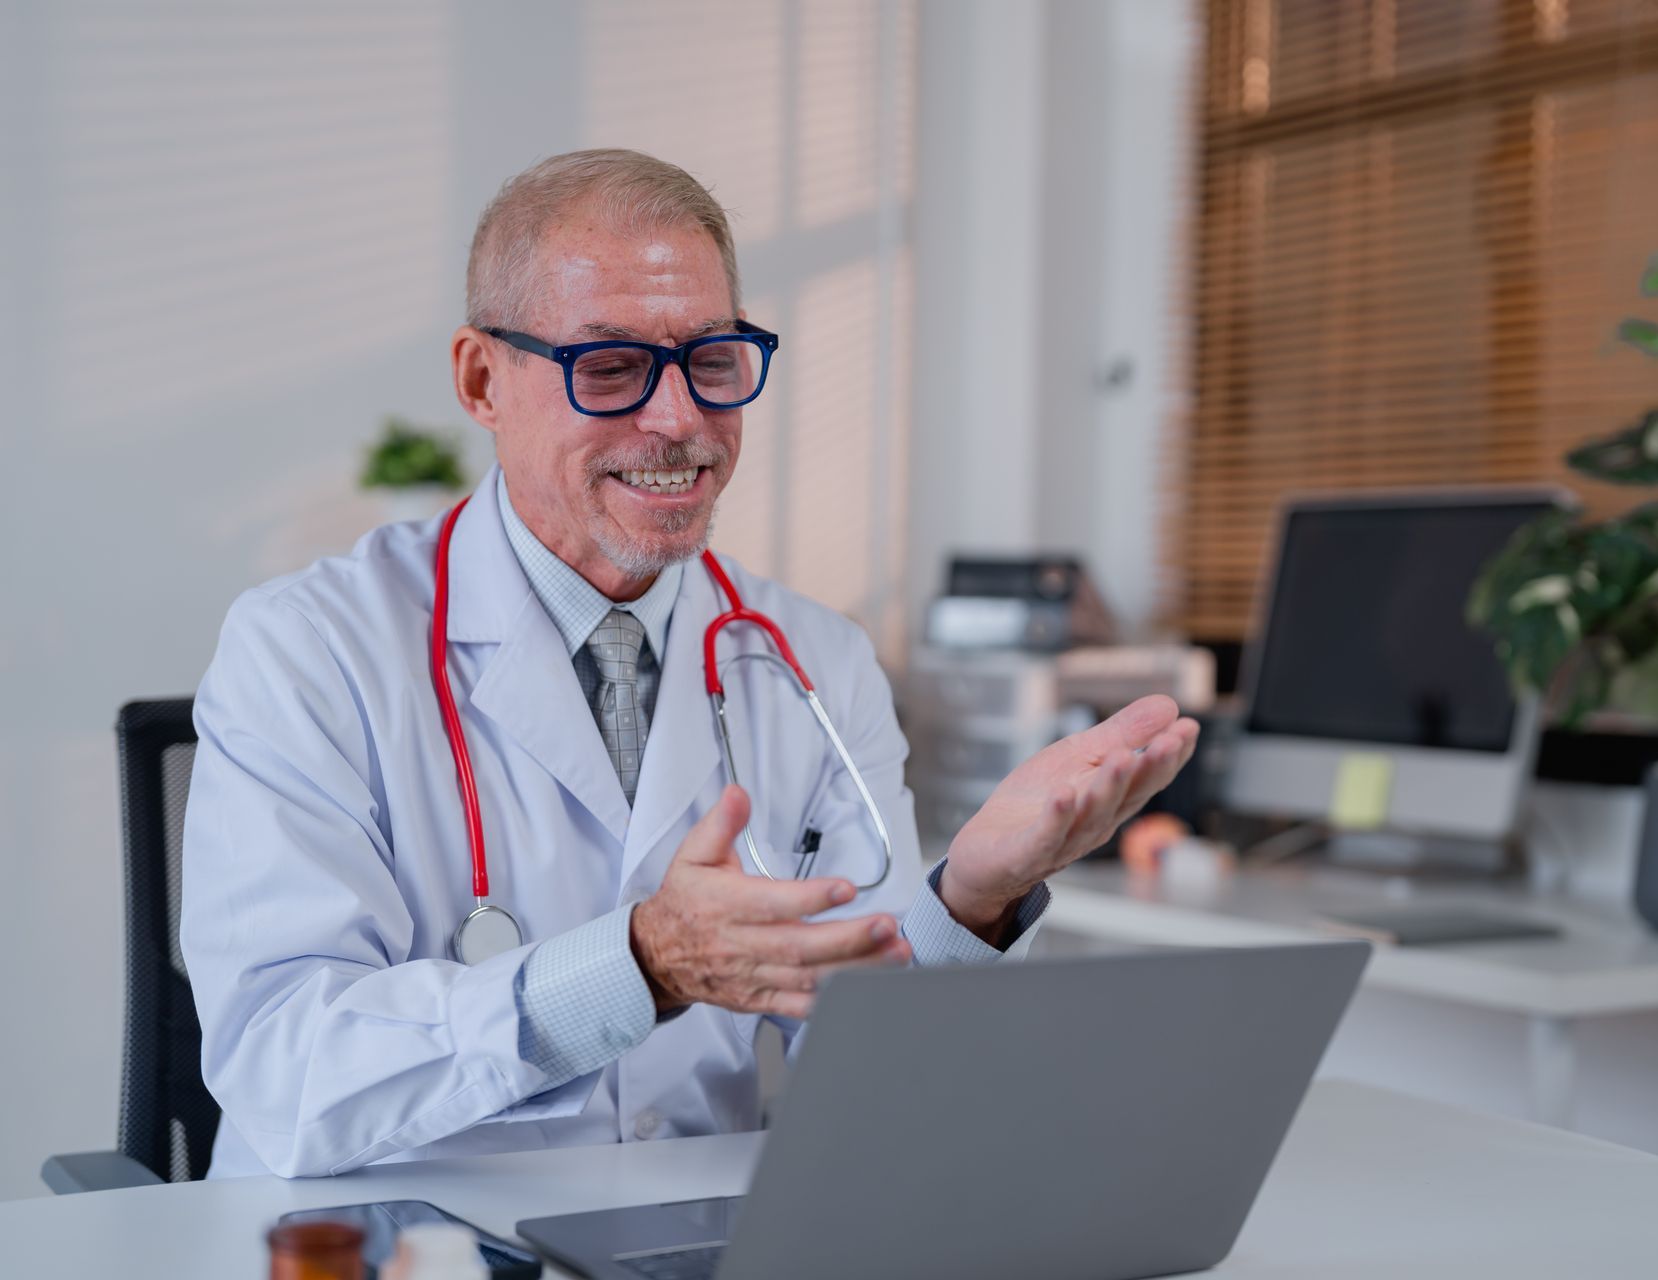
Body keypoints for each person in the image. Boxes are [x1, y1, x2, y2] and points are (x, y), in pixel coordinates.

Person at [181, 149, 1199, 1179]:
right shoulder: (310, 649)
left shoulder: (815, 658)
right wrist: (636, 965)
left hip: (687, 1234)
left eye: (713, 360)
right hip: (386, 1238)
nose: (678, 419)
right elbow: (283, 1064)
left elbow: (872, 1068)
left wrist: (972, 896)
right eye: (611, 365)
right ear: (483, 380)